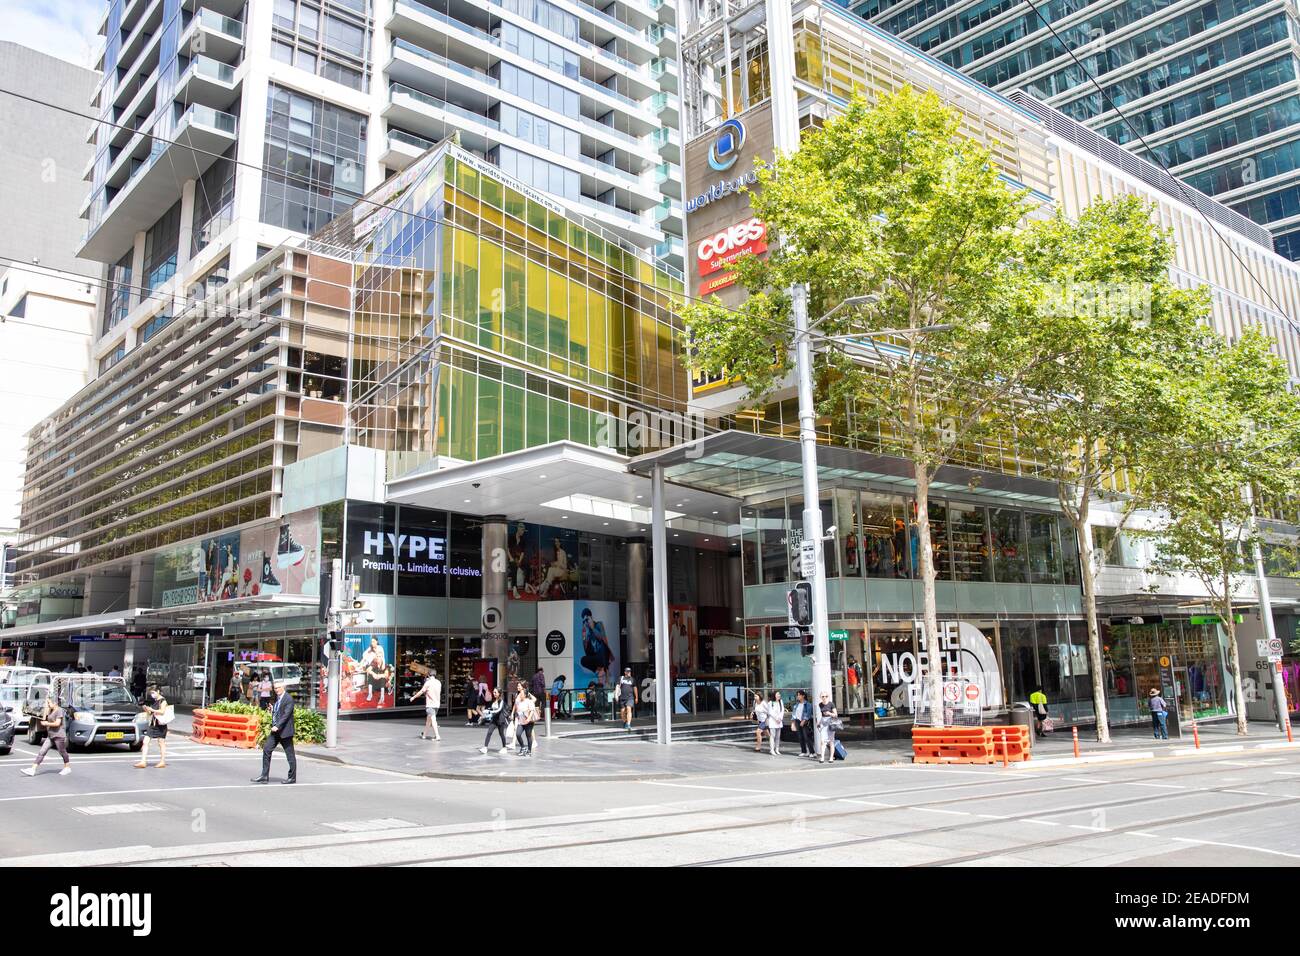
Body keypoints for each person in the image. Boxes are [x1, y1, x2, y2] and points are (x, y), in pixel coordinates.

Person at [253, 682, 297, 784]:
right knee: (267, 749)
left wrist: (277, 726)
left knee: (290, 755)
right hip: (276, 732)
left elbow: (286, 715)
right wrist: (273, 710)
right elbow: (279, 712)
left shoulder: (288, 699)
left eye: (278, 688)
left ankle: (292, 777)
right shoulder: (278, 698)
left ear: (283, 688)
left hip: (285, 731)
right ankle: (264, 775)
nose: (276, 690)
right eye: (275, 688)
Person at [21, 696, 71, 777]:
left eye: (49, 703)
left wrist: (47, 723)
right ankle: (32, 769)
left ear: (55, 703)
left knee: (62, 752)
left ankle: (67, 767)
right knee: (42, 751)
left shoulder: (59, 711)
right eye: (47, 703)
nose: (48, 704)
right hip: (50, 736)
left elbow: (57, 723)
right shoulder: (51, 710)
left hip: (59, 735)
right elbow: (45, 714)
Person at [136, 684, 170, 770]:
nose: (152, 694)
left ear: (158, 691)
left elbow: (162, 712)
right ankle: (143, 761)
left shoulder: (163, 701)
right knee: (145, 741)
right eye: (151, 693)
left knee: (161, 742)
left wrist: (152, 710)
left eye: (153, 692)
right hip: (153, 724)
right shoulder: (155, 701)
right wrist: (146, 708)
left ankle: (162, 761)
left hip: (160, 725)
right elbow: (150, 713)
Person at [579, 608, 614, 684]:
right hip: (596, 657)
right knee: (583, 660)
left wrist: (593, 628)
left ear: (591, 617)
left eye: (587, 619)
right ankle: (598, 670)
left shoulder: (598, 624)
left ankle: (605, 670)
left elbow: (603, 638)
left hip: (603, 655)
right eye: (584, 621)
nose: (586, 622)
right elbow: (586, 651)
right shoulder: (586, 631)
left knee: (603, 646)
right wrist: (584, 637)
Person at [477, 687, 509, 754]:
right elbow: (492, 709)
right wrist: (484, 715)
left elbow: (498, 710)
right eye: (493, 692)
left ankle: (504, 748)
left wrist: (489, 712)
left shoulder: (502, 701)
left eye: (495, 692)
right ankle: (485, 748)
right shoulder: (494, 700)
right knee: (489, 732)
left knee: (501, 734)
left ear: (499, 693)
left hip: (500, 720)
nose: (494, 693)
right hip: (494, 720)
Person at [412, 670, 442, 741]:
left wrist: (413, 697)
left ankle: (437, 736)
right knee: (429, 721)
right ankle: (424, 735)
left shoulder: (428, 683)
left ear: (428, 675)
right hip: (437, 704)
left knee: (433, 720)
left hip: (430, 704)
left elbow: (421, 692)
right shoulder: (438, 682)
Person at [818, 692, 841, 764]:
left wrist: (829, 713)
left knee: (831, 741)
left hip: (830, 723)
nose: (824, 698)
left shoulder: (831, 704)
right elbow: (821, 715)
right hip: (823, 723)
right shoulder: (820, 704)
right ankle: (822, 757)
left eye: (826, 696)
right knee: (822, 741)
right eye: (823, 696)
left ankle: (831, 757)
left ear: (828, 697)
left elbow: (835, 715)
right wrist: (819, 722)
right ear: (821, 697)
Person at [514, 683, 536, 756]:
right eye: (520, 694)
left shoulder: (529, 701)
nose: (520, 695)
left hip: (528, 722)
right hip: (521, 722)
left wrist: (528, 719)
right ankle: (523, 747)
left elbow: (532, 710)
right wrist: (516, 717)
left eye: (522, 694)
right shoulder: (519, 702)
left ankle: (529, 751)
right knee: (518, 734)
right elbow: (518, 711)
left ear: (525, 695)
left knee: (528, 736)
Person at [791, 690, 815, 758]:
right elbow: (794, 714)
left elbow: (808, 713)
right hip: (797, 721)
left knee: (807, 737)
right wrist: (793, 723)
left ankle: (812, 752)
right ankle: (803, 751)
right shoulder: (796, 705)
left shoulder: (808, 704)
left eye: (799, 695)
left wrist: (804, 720)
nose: (797, 696)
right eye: (797, 695)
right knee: (800, 737)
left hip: (805, 722)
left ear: (803, 696)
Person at [617, 666, 637, 731]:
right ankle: (625, 722)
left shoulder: (632, 679)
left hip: (630, 697)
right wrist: (616, 695)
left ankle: (628, 724)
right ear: (625, 672)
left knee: (629, 709)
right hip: (622, 697)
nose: (629, 673)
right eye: (627, 671)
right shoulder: (621, 678)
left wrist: (636, 697)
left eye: (630, 671)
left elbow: (635, 688)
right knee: (622, 712)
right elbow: (617, 686)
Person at [767, 691, 785, 756]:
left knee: (778, 736)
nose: (779, 695)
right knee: (772, 736)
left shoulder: (781, 702)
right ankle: (772, 749)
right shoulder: (770, 703)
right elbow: (770, 712)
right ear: (774, 695)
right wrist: (776, 718)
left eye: (779, 694)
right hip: (773, 721)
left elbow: (782, 710)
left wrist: (780, 718)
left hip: (779, 722)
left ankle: (777, 749)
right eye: (778, 694)